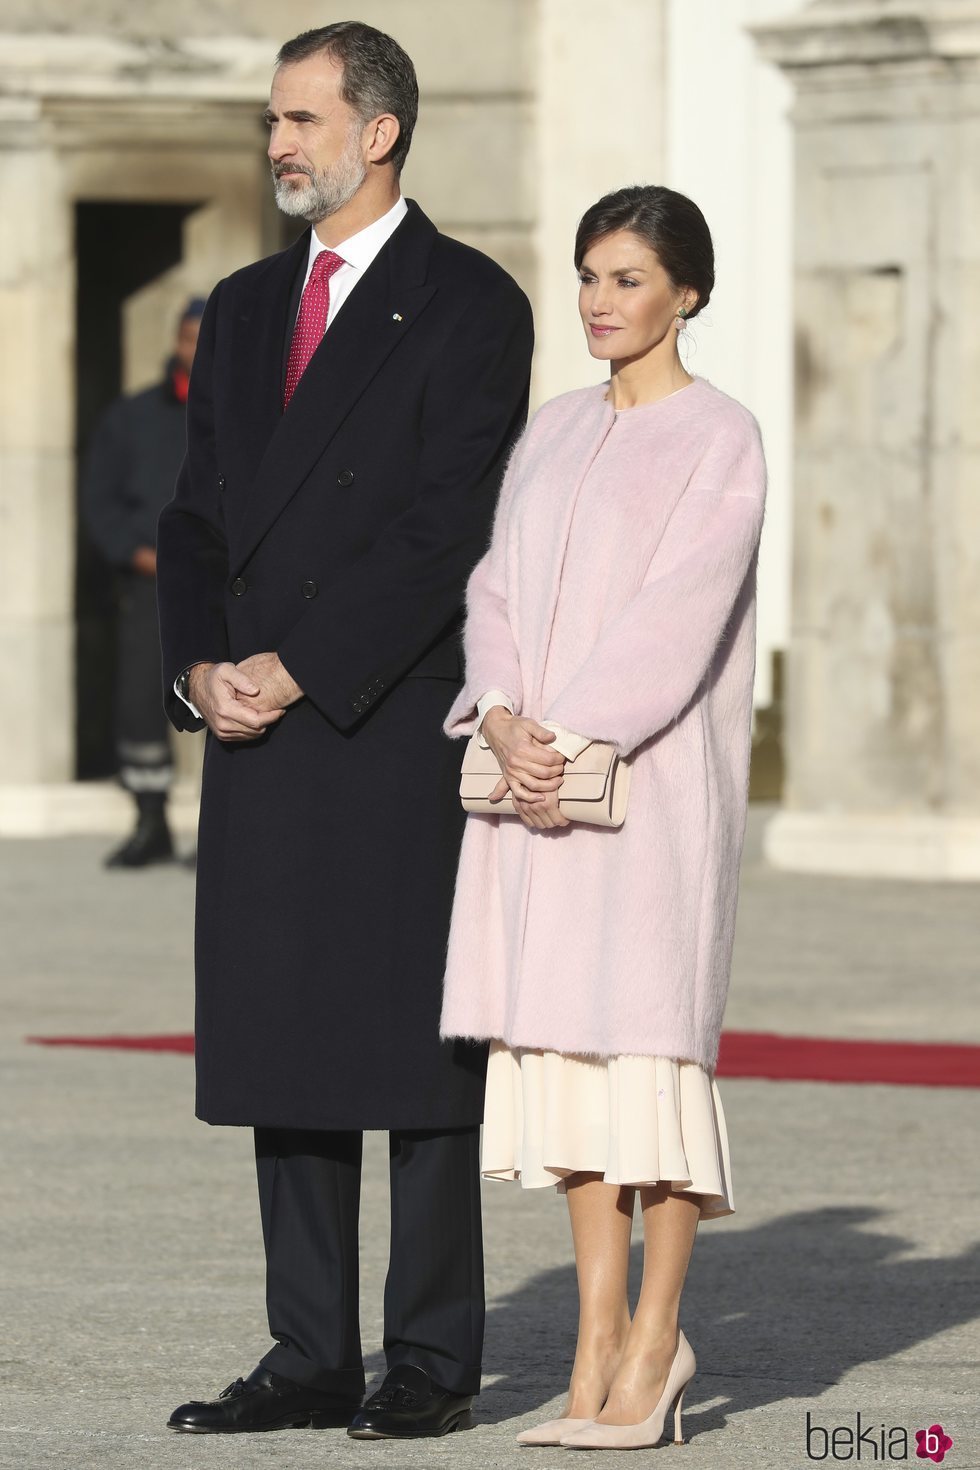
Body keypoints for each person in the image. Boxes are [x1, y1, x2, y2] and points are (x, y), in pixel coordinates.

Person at [155, 21, 533, 1441]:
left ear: (379, 131)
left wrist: (301, 664)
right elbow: (195, 514)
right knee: (283, 1043)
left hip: (383, 723)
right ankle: (307, 1349)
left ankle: (430, 1356)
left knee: (415, 1056)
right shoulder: (247, 305)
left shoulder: (471, 303)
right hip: (251, 723)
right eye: (273, 120)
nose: (277, 145)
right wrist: (201, 666)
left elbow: (450, 525)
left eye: (302, 120)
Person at [440, 185, 767, 1450]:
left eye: (626, 279)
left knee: (647, 1063)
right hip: (533, 793)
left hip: (650, 800)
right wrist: (503, 709)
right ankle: (592, 1336)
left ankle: (655, 1338)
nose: (597, 301)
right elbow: (495, 586)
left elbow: (679, 615)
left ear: (685, 291)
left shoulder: (719, 436)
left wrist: (571, 731)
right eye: (587, 276)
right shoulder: (553, 431)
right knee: (567, 1066)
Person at [82, 301, 203, 868]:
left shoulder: (245, 410)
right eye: (188, 339)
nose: (195, 351)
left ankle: (217, 833)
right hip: (147, 585)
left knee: (225, 700)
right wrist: (133, 553)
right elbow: (99, 499)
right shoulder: (130, 418)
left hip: (219, 584)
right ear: (175, 342)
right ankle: (150, 820)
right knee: (138, 703)